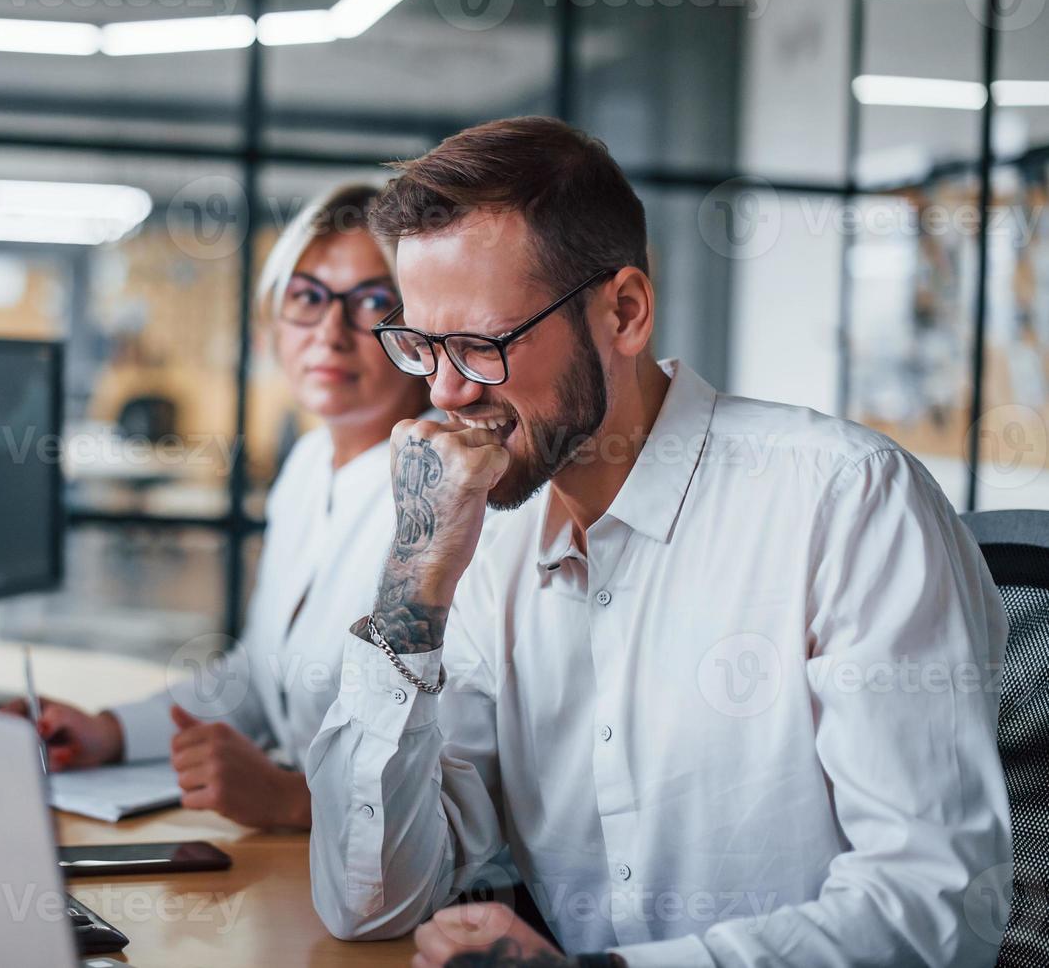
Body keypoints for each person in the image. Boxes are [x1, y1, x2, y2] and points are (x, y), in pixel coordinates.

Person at [305, 116, 1012, 967]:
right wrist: (411, 583)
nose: (447, 391)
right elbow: (368, 902)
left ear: (625, 313)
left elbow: (932, 908)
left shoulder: (844, 501)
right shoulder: (487, 542)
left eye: (480, 345)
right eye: (421, 345)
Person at [3, 183, 434, 831]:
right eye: (306, 297)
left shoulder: (444, 490)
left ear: (420, 324)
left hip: (393, 878)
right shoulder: (308, 465)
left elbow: (467, 762)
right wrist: (109, 732)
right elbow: (260, 676)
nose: (329, 332)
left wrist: (299, 802)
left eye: (372, 301)